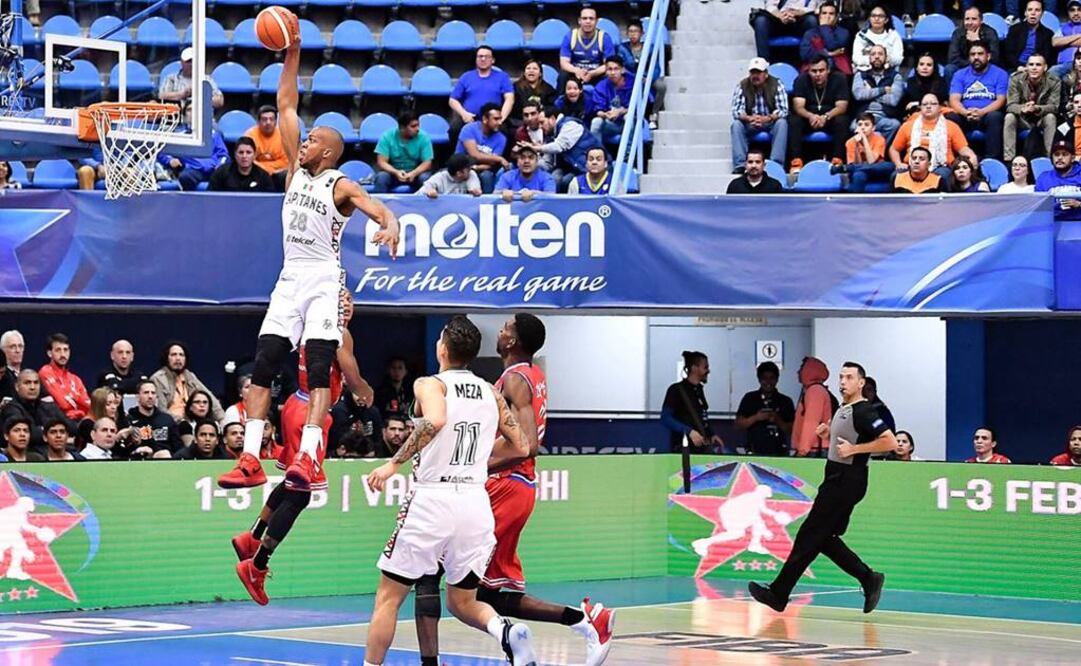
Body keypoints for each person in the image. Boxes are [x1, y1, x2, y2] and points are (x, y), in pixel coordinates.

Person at [216, 18, 398, 513]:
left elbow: (378, 208)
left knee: (319, 367)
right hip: (290, 276)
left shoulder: (341, 184)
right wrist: (292, 51)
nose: (305, 140)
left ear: (329, 152)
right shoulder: (294, 171)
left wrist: (391, 225)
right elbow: (286, 104)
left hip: (322, 278)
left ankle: (309, 457)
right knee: (264, 362)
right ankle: (251, 458)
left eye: (313, 138)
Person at [410, 314, 613, 666]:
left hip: (506, 485)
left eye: (506, 328)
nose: (500, 331)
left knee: (432, 572)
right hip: (516, 487)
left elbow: (528, 445)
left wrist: (477, 464)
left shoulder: (515, 379)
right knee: (484, 594)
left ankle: (433, 661)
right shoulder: (529, 375)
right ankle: (581, 621)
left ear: (513, 341)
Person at [363, 316, 537, 666]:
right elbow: (521, 445)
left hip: (432, 498)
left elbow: (436, 420)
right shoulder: (491, 392)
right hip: (475, 502)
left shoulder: (430, 384)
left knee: (388, 598)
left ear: (442, 348)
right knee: (463, 601)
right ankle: (504, 631)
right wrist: (478, 457)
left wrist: (392, 464)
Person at [232, 293, 371, 603]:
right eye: (341, 299)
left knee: (292, 482)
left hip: (297, 405)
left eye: (349, 300)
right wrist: (365, 389)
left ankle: (252, 536)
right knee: (301, 494)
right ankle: (257, 565)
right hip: (311, 413)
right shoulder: (338, 332)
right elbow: (351, 374)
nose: (346, 304)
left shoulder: (311, 325)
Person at [748, 362, 893, 614]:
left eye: (849, 377)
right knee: (822, 538)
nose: (843, 382)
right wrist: (829, 434)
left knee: (809, 535)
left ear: (861, 383)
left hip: (846, 480)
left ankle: (779, 593)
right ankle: (868, 577)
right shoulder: (845, 409)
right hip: (837, 477)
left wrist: (855, 449)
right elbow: (846, 440)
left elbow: (888, 441)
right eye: (841, 377)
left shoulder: (864, 410)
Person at [890, 94, 977, 180]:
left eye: (933, 104)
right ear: (920, 108)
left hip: (940, 166)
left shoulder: (951, 126)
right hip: (913, 165)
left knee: (942, 176)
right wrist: (898, 164)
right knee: (897, 176)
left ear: (939, 107)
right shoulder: (907, 126)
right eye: (925, 104)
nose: (928, 106)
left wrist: (972, 156)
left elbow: (963, 149)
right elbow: (894, 149)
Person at [949, 41, 1009, 161]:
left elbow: (1001, 100)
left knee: (995, 117)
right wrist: (965, 112)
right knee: (951, 117)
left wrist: (982, 112)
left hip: (987, 115)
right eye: (973, 54)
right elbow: (954, 100)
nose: (976, 57)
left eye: (980, 54)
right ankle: (957, 160)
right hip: (966, 115)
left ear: (988, 56)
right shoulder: (960, 74)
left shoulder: (1000, 74)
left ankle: (992, 160)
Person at [788, 56, 849, 172]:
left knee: (842, 120)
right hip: (809, 118)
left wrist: (826, 117)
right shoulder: (801, 80)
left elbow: (842, 107)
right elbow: (798, 107)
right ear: (808, 71)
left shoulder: (839, 79)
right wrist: (811, 116)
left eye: (821, 70)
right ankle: (796, 161)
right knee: (794, 120)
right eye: (814, 71)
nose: (818, 74)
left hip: (830, 117)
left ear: (828, 70)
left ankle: (837, 160)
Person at [730, 57, 789, 172]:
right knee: (736, 125)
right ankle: (740, 165)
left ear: (766, 74)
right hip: (750, 122)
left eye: (758, 73)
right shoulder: (742, 85)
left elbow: (783, 110)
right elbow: (736, 110)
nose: (755, 76)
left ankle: (776, 164)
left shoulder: (777, 84)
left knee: (782, 123)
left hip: (770, 121)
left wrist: (767, 118)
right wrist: (749, 118)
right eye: (753, 73)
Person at [661, 351, 726, 453]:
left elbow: (701, 417)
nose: (708, 371)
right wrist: (689, 432)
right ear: (694, 368)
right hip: (683, 449)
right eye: (705, 367)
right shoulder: (676, 389)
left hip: (702, 448)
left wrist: (711, 434)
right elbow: (666, 418)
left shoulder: (699, 390)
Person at [527, 106, 604, 190]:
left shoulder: (570, 125)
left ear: (552, 119)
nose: (540, 127)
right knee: (552, 178)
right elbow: (547, 163)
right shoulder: (550, 135)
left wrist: (536, 148)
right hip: (571, 169)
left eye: (542, 122)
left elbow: (559, 146)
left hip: (587, 168)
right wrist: (529, 159)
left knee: (565, 181)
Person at [1004, 54, 1060, 161]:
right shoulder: (1016, 79)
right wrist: (1022, 108)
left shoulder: (1054, 81)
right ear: (1026, 67)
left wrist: (1037, 108)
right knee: (1009, 117)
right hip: (1022, 119)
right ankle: (1009, 160)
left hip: (1041, 118)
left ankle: (1051, 159)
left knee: (1051, 117)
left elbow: (1054, 107)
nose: (1034, 68)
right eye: (1031, 64)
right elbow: (1010, 105)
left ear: (1045, 67)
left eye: (1038, 65)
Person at [150, 341, 225, 423]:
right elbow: (161, 410)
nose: (178, 358)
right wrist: (181, 421)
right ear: (166, 358)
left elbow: (208, 396)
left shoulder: (189, 375)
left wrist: (222, 419)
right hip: (172, 423)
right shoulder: (158, 378)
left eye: (181, 355)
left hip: (192, 421)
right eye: (174, 355)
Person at [449, 46, 515, 133]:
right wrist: (464, 114)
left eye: (487, 56)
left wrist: (501, 118)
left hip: (493, 117)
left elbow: (509, 99)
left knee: (505, 131)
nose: (483, 59)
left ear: (493, 60)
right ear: (476, 59)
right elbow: (452, 100)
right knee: (454, 130)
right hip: (470, 117)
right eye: (480, 56)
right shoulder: (466, 76)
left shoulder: (502, 77)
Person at [735, 362, 795, 456]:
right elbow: (738, 425)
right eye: (764, 378)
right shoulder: (749, 398)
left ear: (777, 379)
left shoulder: (785, 401)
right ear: (759, 379)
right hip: (753, 451)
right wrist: (756, 417)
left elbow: (792, 430)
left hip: (779, 452)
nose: (768, 382)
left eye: (772, 378)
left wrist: (777, 420)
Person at [0, 369, 70, 450]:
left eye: (36, 383)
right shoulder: (11, 409)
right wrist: (60, 435)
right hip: (28, 452)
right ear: (17, 387)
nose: (32, 387)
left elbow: (71, 426)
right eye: (27, 383)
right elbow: (27, 435)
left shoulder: (48, 406)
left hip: (54, 450)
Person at [158, 46, 224, 126]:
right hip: (176, 122)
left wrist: (200, 96)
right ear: (182, 63)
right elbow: (161, 96)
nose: (192, 64)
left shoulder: (207, 80)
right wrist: (181, 94)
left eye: (194, 61)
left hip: (203, 122)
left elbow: (220, 101)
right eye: (188, 61)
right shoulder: (171, 79)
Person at [455, 103, 511, 194]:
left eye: (500, 119)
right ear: (485, 119)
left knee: (487, 175)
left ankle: (488, 201)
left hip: (483, 169)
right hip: (461, 167)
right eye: (496, 119)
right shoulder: (469, 129)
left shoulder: (501, 138)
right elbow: (474, 155)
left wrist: (476, 167)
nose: (500, 123)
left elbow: (492, 163)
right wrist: (499, 159)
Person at [373, 111, 434, 193]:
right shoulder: (387, 136)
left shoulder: (424, 137)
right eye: (413, 126)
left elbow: (427, 163)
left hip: (416, 174)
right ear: (402, 128)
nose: (417, 129)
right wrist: (396, 172)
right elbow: (381, 162)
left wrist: (413, 173)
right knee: (381, 177)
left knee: (425, 178)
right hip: (393, 174)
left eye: (418, 125)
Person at [559, 6, 616, 89]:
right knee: (563, 76)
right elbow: (564, 63)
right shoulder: (570, 37)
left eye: (591, 18)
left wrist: (593, 73)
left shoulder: (604, 37)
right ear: (579, 20)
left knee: (610, 75)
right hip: (576, 74)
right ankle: (560, 98)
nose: (588, 21)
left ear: (596, 21)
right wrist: (577, 71)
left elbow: (609, 64)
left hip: (597, 74)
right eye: (584, 18)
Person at [851, 45, 902, 137]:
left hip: (885, 117)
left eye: (880, 54)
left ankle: (877, 146)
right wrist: (882, 90)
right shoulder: (860, 75)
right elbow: (858, 95)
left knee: (895, 125)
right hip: (864, 117)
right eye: (873, 54)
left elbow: (893, 100)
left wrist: (869, 92)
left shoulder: (895, 76)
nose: (877, 56)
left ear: (886, 58)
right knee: (854, 126)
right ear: (869, 58)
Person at [38, 333, 91, 422]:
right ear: (49, 353)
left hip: (81, 421)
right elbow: (63, 404)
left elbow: (88, 405)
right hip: (58, 422)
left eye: (65, 350)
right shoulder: (45, 372)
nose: (63, 354)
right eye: (58, 350)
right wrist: (77, 397)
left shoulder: (76, 379)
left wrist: (70, 396)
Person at [617, 19, 666, 115]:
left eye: (636, 31)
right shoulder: (622, 48)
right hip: (630, 76)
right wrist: (635, 77)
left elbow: (656, 67)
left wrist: (649, 78)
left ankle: (654, 112)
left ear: (642, 33)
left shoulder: (650, 48)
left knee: (661, 86)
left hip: (648, 76)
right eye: (630, 31)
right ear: (626, 33)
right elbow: (621, 66)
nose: (633, 34)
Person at [157, 128, 229, 191]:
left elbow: (223, 155)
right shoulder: (180, 135)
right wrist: (170, 160)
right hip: (193, 170)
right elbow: (162, 152)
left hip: (214, 170)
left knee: (226, 176)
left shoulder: (214, 134)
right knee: (185, 177)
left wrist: (220, 165)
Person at [791, 356, 835, 456]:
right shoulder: (815, 390)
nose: (798, 372)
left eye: (802, 368)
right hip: (814, 449)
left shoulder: (815, 391)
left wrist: (802, 451)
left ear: (810, 370)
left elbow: (811, 423)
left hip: (814, 450)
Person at [589, 56, 637, 147]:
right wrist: (605, 114)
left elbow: (636, 107)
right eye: (609, 69)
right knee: (596, 122)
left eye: (616, 69)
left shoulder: (633, 83)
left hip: (628, 122)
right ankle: (599, 153)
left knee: (629, 117)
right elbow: (598, 110)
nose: (612, 73)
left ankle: (627, 154)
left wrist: (620, 111)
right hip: (610, 123)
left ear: (622, 70)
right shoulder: (601, 86)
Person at [127, 380, 182, 458]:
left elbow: (178, 448)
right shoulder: (129, 420)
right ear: (137, 397)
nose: (150, 396)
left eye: (153, 393)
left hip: (166, 459)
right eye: (146, 392)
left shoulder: (167, 420)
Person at [753, 0, 821, 62]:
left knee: (811, 20)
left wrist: (794, 13)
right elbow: (770, 6)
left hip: (801, 18)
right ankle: (763, 64)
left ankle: (813, 63)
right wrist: (780, 16)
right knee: (761, 21)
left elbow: (813, 7)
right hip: (778, 18)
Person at [946, 7, 1002, 83]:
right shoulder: (958, 33)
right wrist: (972, 65)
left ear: (981, 21)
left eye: (974, 19)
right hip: (963, 68)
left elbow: (994, 58)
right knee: (949, 69)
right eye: (967, 19)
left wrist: (977, 41)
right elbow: (953, 58)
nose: (970, 22)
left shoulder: (990, 32)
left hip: (984, 67)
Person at [844, 113, 894, 193]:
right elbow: (857, 164)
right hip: (861, 172)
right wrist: (856, 145)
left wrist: (864, 139)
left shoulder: (879, 139)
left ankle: (843, 168)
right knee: (858, 175)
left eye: (866, 125)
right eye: (860, 125)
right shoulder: (850, 142)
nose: (862, 127)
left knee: (890, 166)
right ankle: (857, 200)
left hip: (877, 171)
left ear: (873, 128)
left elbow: (871, 161)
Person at [1035, 139, 1081, 220]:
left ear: (1073, 158)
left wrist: (1079, 204)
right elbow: (1037, 206)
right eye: (1056, 154)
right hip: (1051, 223)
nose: (1060, 158)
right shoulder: (1043, 178)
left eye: (1064, 154)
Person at [208, 136, 275, 192]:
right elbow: (210, 198)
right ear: (235, 155)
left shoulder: (263, 177)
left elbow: (270, 200)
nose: (244, 156)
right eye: (241, 152)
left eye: (248, 152)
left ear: (254, 155)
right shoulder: (221, 173)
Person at [800, 2, 850, 75]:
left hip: (836, 69)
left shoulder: (843, 32)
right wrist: (829, 54)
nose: (827, 17)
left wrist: (824, 27)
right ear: (819, 16)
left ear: (836, 17)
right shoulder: (810, 33)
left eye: (831, 14)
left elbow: (832, 46)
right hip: (813, 68)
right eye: (824, 13)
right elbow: (805, 54)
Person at [1003, 0, 1054, 72]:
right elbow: (1008, 54)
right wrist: (1018, 67)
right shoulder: (1014, 30)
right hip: (1016, 68)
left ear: (1042, 13)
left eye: (1037, 10)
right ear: (1025, 13)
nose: (1033, 13)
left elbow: (1047, 57)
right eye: (1030, 10)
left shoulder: (1048, 34)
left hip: (1038, 70)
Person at [245, 105, 290, 187]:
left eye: (271, 119)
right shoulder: (250, 135)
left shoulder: (284, 136)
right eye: (264, 119)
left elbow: (285, 162)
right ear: (258, 122)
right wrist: (268, 169)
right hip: (255, 173)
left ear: (276, 121)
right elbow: (247, 160)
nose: (268, 122)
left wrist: (264, 167)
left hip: (277, 174)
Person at [852, 6, 904, 73]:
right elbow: (856, 58)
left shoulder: (893, 35)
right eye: (873, 16)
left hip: (888, 72)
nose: (876, 19)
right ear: (869, 19)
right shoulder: (861, 35)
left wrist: (886, 59)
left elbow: (899, 58)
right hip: (865, 72)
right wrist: (874, 60)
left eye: (880, 16)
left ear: (886, 20)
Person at [901, 54, 950, 119]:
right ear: (916, 67)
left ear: (934, 68)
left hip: (938, 113)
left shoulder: (941, 81)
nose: (925, 67)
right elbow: (914, 97)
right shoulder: (911, 81)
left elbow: (940, 99)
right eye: (921, 64)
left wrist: (917, 103)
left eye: (929, 65)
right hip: (916, 113)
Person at [511, 60, 557, 128]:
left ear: (540, 73)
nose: (531, 71)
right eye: (528, 68)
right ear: (524, 73)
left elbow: (554, 107)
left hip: (541, 121)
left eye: (535, 69)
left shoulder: (548, 89)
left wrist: (544, 113)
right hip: (520, 121)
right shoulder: (515, 87)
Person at [417, 153, 482, 198]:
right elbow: (418, 194)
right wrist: (428, 192)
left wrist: (475, 191)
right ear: (459, 173)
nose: (470, 169)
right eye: (468, 168)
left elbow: (475, 188)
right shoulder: (439, 177)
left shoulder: (471, 174)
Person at [1052, 0, 1081, 78]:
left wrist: (1064, 42)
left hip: (1079, 63)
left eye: (1079, 10)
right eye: (1072, 10)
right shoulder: (1063, 27)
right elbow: (1055, 42)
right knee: (1051, 73)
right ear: (1068, 12)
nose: (1076, 13)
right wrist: (1078, 35)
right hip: (1063, 64)